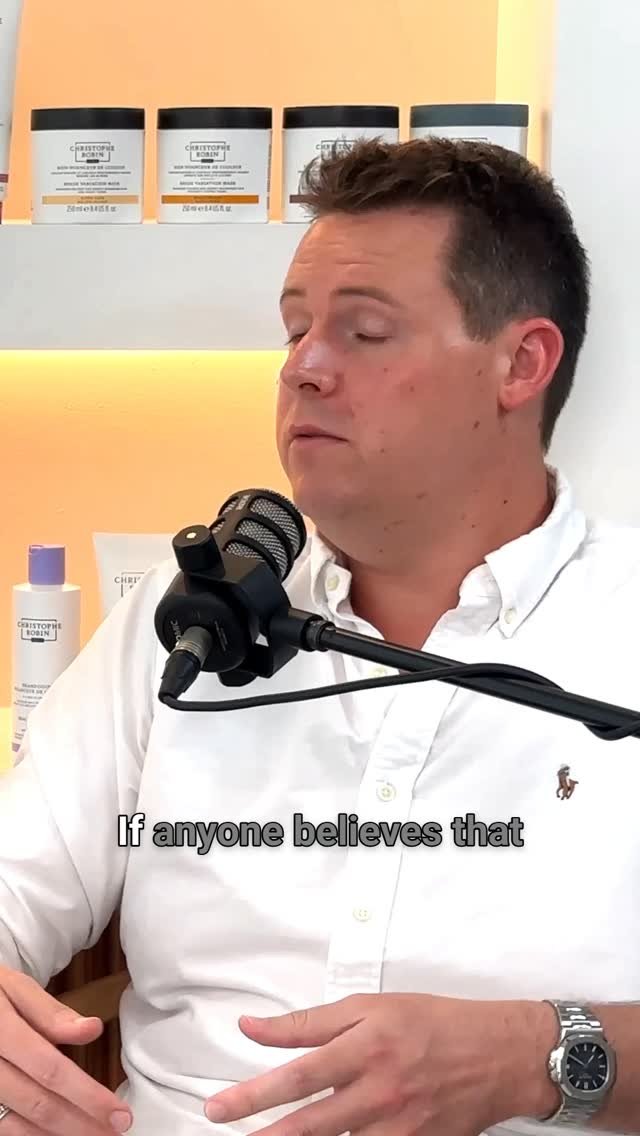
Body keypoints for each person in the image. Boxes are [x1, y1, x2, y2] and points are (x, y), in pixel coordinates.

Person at [1, 136, 640, 1136]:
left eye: (365, 332)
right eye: (295, 328)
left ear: (520, 363)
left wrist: (535, 1055)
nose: (302, 367)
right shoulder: (183, 619)